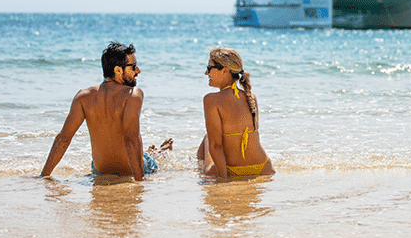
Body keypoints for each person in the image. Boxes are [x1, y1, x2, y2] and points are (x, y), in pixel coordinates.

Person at [40, 42, 172, 181]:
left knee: (132, 155)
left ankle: (153, 152)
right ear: (118, 70)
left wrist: (43, 176)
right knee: (151, 161)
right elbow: (131, 139)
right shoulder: (132, 94)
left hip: (100, 170)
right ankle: (158, 152)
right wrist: (140, 181)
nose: (137, 71)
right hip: (131, 169)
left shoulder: (83, 96)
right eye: (132, 67)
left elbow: (63, 139)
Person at [197, 47, 275, 178]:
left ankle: (196, 169)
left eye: (209, 68)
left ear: (225, 70)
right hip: (263, 168)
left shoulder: (211, 100)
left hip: (232, 170)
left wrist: (223, 179)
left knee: (208, 138)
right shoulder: (251, 97)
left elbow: (216, 146)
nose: (206, 73)